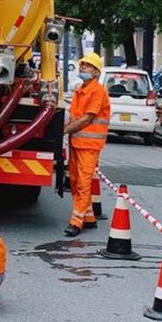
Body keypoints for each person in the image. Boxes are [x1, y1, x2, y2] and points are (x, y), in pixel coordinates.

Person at [63, 52, 110, 236]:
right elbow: (75, 117)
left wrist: (65, 131)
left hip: (89, 145)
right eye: (82, 64)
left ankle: (76, 222)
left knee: (83, 182)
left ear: (96, 72)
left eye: (88, 65)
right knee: (75, 181)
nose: (82, 67)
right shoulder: (79, 90)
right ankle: (88, 218)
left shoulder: (97, 91)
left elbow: (87, 118)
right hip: (76, 142)